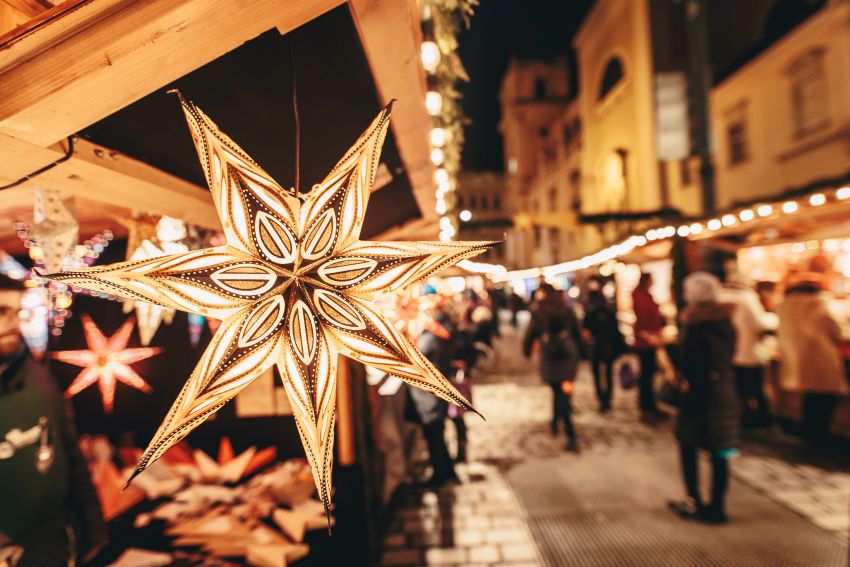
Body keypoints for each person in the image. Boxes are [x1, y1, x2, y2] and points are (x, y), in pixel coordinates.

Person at [0, 275, 107, 566]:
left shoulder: (37, 377)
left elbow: (70, 454)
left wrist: (94, 526)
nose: (12, 322)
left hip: (57, 541)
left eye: (17, 311)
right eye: (1, 312)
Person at [669, 272, 740, 524]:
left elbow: (691, 364)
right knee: (720, 451)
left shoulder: (695, 324)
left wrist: (668, 349)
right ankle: (718, 506)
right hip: (723, 391)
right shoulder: (725, 322)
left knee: (688, 445)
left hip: (699, 395)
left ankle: (694, 500)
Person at [776, 272, 848, 455]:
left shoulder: (785, 304)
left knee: (810, 397)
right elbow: (838, 331)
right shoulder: (822, 303)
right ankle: (820, 439)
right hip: (822, 358)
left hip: (797, 359)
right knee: (825, 398)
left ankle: (810, 435)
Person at [523, 283, 583, 452]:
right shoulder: (565, 307)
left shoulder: (539, 310)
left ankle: (569, 433)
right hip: (567, 354)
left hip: (550, 355)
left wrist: (526, 350)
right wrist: (582, 352)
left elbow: (530, 333)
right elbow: (576, 331)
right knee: (562, 390)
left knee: (558, 392)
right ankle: (556, 422)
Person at [408, 307, 459, 487]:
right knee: (438, 434)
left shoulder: (433, 335)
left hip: (429, 396)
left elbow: (417, 356)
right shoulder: (444, 331)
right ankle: (447, 471)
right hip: (435, 392)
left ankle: (440, 475)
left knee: (434, 434)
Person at [720, 273, 778, 428]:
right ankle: (762, 420)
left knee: (739, 389)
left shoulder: (721, 296)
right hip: (748, 352)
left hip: (729, 353)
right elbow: (759, 324)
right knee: (756, 389)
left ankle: (742, 416)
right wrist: (773, 319)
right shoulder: (747, 298)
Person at [583, 282, 624, 413]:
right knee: (608, 373)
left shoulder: (589, 310)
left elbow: (586, 328)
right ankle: (608, 399)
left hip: (595, 346)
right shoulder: (608, 308)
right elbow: (615, 329)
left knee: (596, 374)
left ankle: (601, 399)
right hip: (608, 345)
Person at [632, 273, 665, 418]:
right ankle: (647, 405)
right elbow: (645, 316)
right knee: (647, 373)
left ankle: (649, 404)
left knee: (648, 373)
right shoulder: (640, 295)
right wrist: (648, 334)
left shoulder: (643, 294)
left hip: (648, 339)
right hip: (646, 340)